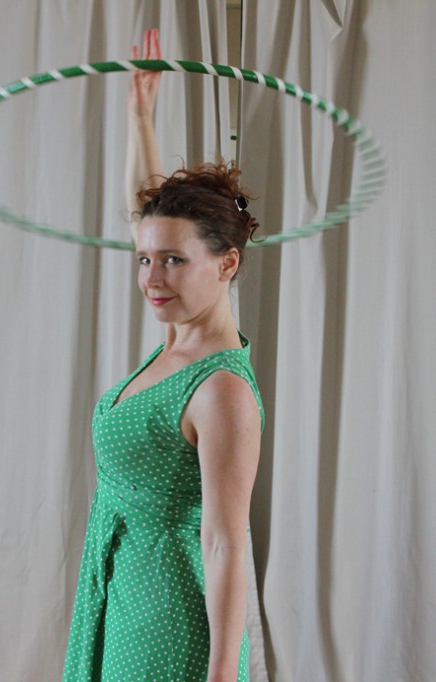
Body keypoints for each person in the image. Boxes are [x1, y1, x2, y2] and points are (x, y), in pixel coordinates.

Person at [63, 29, 264, 682]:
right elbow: (143, 211)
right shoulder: (175, 343)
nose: (152, 278)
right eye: (145, 259)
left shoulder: (221, 391)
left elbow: (228, 541)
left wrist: (222, 672)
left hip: (169, 614)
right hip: (120, 585)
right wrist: (140, 116)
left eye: (174, 262)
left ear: (227, 264)